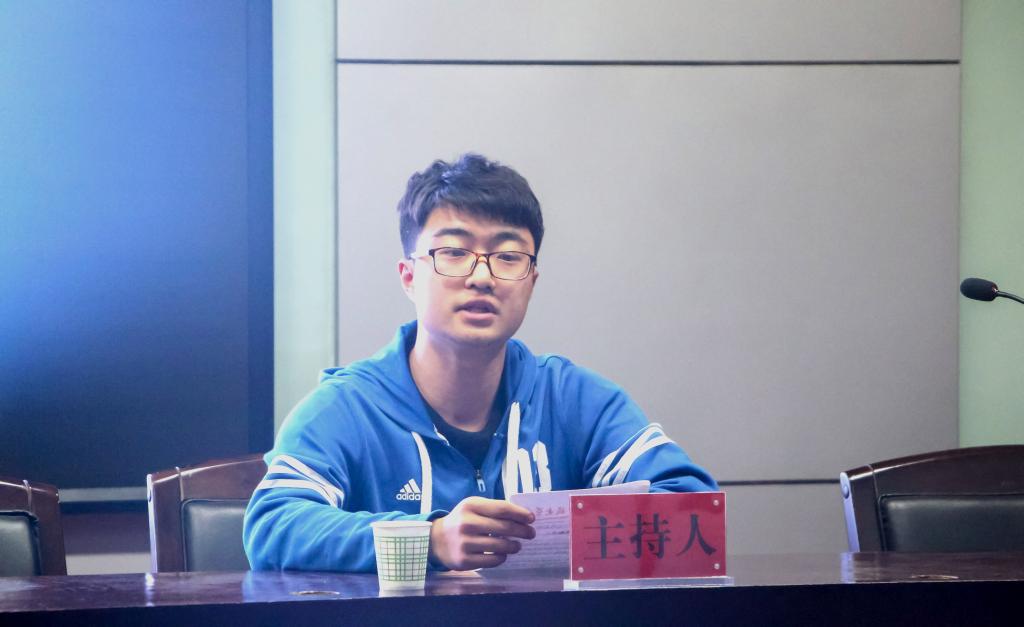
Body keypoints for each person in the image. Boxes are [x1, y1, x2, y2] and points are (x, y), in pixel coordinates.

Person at [243, 153, 717, 572]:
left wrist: (556, 534)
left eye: (508, 256)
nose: (482, 276)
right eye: (454, 253)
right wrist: (430, 540)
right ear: (408, 276)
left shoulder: (575, 400)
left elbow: (693, 506)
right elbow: (273, 523)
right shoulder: (346, 407)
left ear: (531, 281)